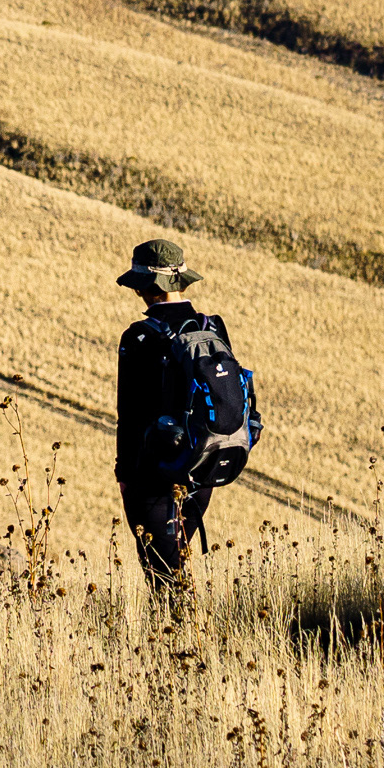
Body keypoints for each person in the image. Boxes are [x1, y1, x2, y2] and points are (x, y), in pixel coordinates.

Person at [112, 238, 257, 607]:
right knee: (175, 564)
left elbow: (128, 417)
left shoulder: (139, 337)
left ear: (146, 287)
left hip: (154, 475)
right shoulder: (213, 326)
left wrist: (125, 476)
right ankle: (183, 643)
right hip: (202, 467)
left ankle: (184, 646)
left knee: (165, 579)